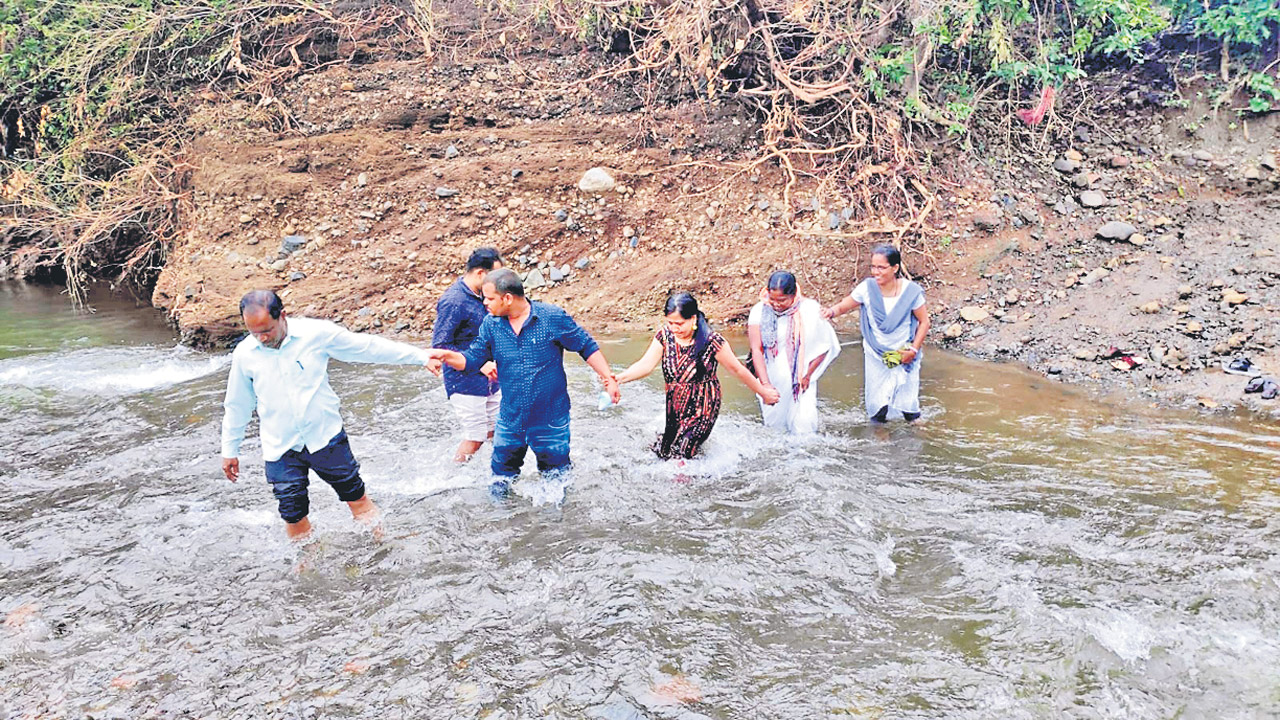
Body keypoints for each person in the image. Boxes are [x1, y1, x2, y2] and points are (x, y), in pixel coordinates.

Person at [221, 290, 433, 541]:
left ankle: (382, 543)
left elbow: (367, 348)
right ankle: (307, 565)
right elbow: (237, 404)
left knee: (356, 497)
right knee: (292, 513)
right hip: (280, 446)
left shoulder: (315, 335)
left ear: (283, 316)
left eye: (267, 330)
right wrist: (229, 448)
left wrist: (421, 357)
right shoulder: (245, 354)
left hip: (324, 435)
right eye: (254, 332)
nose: (262, 338)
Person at [425, 269, 620, 491]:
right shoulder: (491, 325)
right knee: (500, 481)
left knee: (556, 481)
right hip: (510, 421)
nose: (485, 304)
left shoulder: (551, 317)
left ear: (507, 298)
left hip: (550, 421)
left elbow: (586, 346)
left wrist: (608, 379)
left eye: (489, 298)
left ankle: (556, 523)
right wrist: (446, 355)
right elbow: (471, 360)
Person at [615, 292, 781, 460]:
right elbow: (646, 365)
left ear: (693, 319)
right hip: (675, 403)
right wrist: (619, 378)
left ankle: (687, 483)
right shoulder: (665, 336)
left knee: (682, 455)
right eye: (670, 323)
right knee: (664, 453)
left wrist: (763, 392)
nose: (674, 328)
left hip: (703, 405)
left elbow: (738, 370)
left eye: (679, 324)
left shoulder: (711, 341)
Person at [822, 244, 931, 422]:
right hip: (875, 353)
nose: (875, 272)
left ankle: (915, 445)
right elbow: (844, 305)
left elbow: (924, 322)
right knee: (877, 407)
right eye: (873, 267)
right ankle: (879, 444)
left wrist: (913, 351)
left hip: (904, 353)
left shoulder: (910, 292)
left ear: (895, 268)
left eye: (881, 267)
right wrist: (831, 312)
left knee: (909, 407)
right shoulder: (867, 288)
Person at [747, 271, 841, 434]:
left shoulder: (810, 310)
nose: (776, 304)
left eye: (782, 300)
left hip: (801, 379)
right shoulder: (759, 311)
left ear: (793, 295)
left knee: (804, 427)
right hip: (772, 377)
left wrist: (807, 376)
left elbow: (824, 346)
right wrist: (765, 385)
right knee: (775, 430)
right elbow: (757, 349)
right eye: (772, 299)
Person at [433, 247, 504, 462]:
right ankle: (454, 477)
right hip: (464, 381)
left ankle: (492, 472)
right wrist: (478, 363)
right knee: (475, 437)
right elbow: (440, 346)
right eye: (495, 275)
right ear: (481, 274)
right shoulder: (453, 301)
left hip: (491, 378)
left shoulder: (485, 297)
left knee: (496, 432)